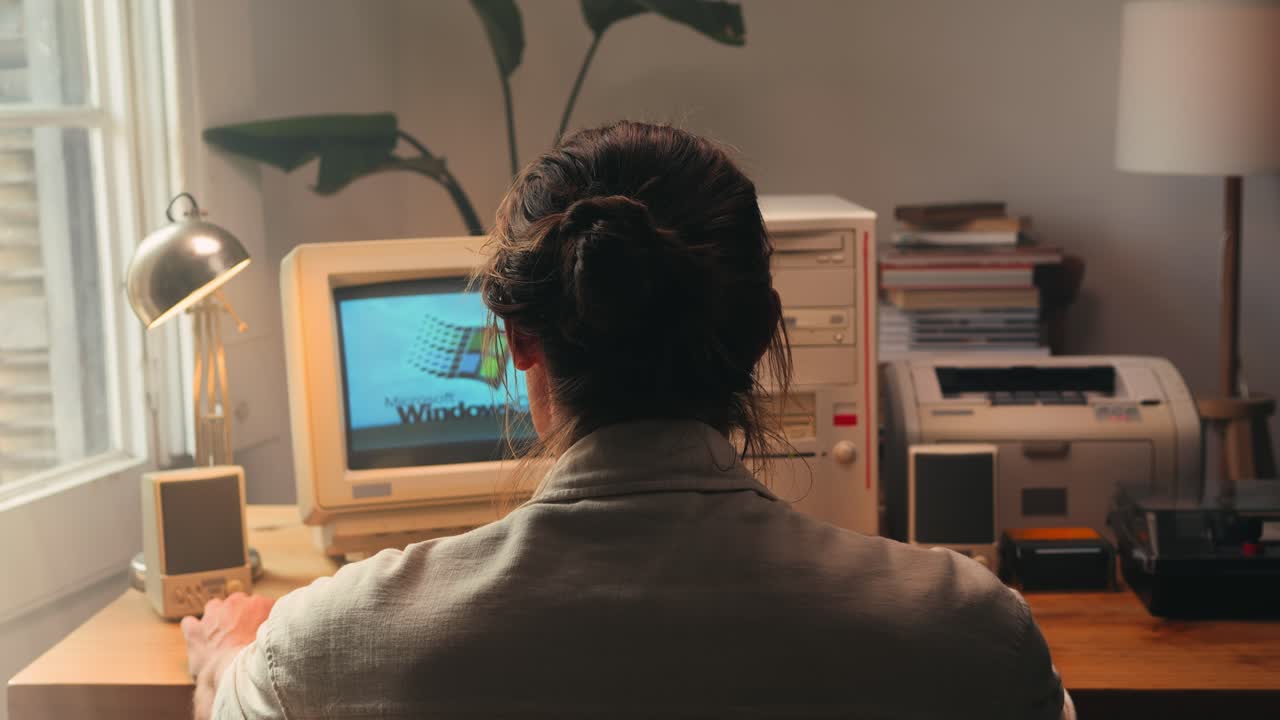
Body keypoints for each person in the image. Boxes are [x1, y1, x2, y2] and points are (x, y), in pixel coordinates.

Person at [183, 121, 1070, 719]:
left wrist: (227, 657)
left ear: (519, 341)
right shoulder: (971, 631)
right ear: (761, 336)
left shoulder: (326, 646)